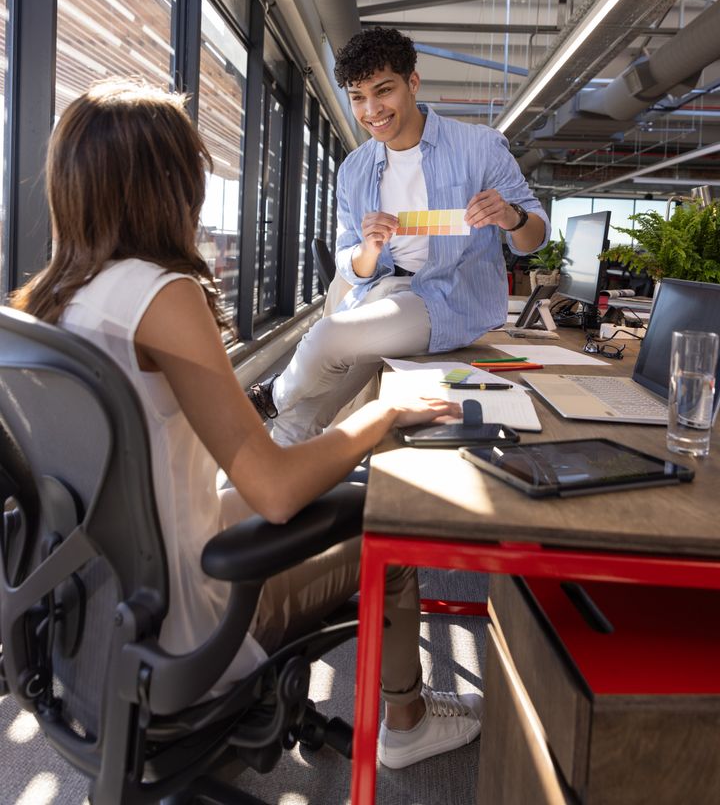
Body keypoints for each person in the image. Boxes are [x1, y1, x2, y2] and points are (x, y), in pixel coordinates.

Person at [10, 79, 483, 771]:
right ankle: (408, 723)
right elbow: (276, 491)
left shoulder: (44, 304)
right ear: (170, 185)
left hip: (87, 609)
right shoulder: (162, 294)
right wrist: (382, 414)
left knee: (314, 486)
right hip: (182, 619)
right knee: (387, 527)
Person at [250, 26, 549, 446]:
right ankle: (269, 481)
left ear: (412, 83)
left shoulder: (479, 147)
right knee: (301, 419)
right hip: (379, 295)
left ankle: (267, 398)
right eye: (358, 97)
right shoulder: (355, 169)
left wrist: (511, 217)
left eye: (384, 91)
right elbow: (350, 264)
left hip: (445, 298)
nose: (372, 110)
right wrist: (369, 249)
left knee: (327, 338)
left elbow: (535, 238)